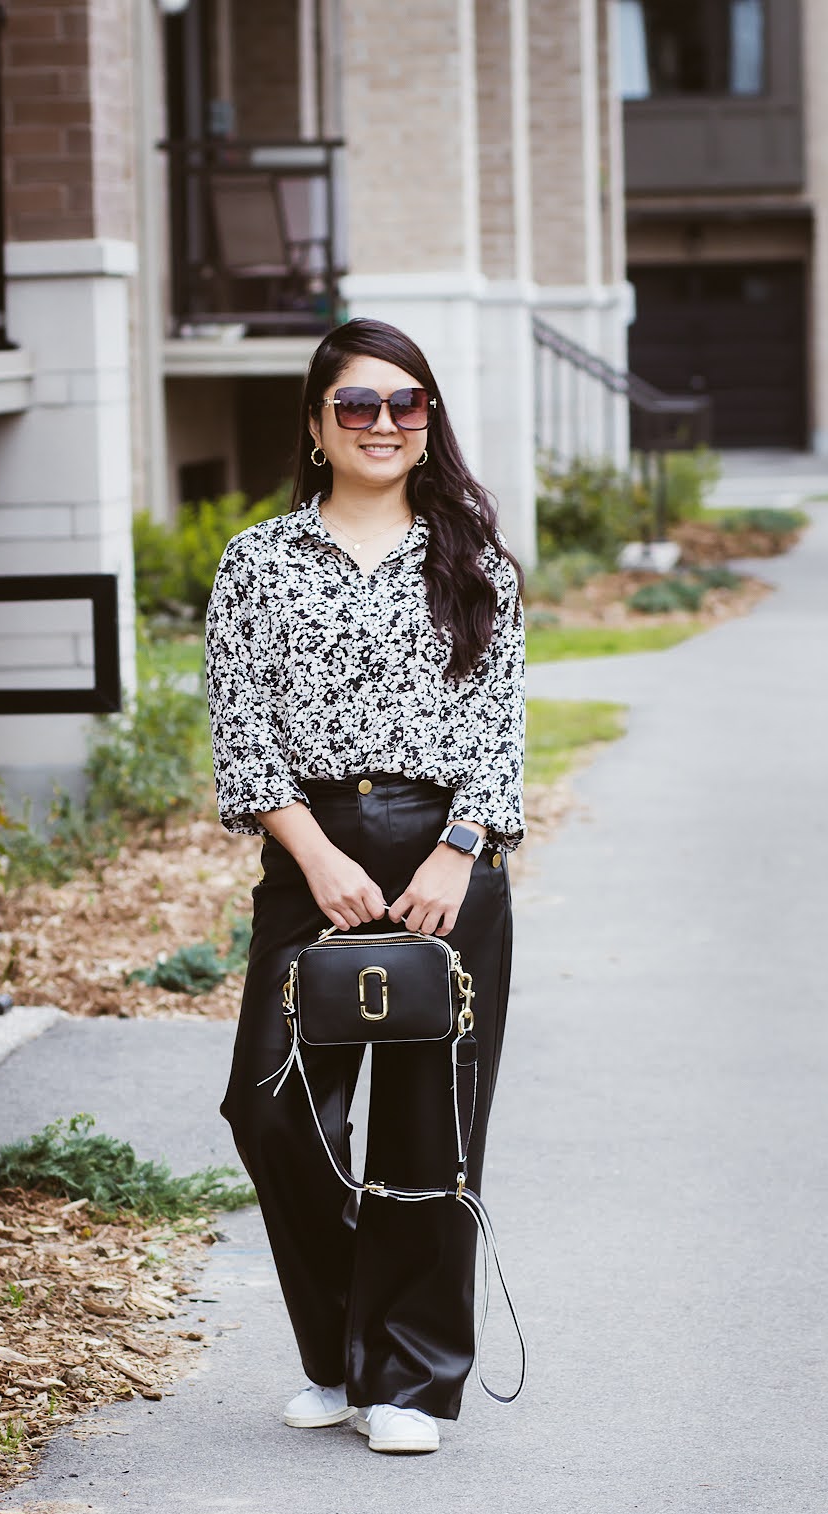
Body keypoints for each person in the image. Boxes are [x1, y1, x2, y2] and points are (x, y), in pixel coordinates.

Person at [204, 317, 526, 1455]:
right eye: (357, 405)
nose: (383, 423)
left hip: (448, 860)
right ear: (314, 423)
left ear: (428, 422)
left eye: (406, 404)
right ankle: (348, 1345)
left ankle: (412, 1381)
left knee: (429, 1133)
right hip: (313, 857)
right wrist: (317, 852)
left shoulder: (475, 562)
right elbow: (241, 735)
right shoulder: (257, 562)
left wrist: (461, 848)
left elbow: (497, 729)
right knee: (270, 1105)